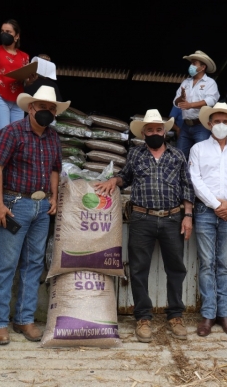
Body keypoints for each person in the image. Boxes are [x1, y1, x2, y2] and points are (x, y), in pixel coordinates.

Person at [94, 109, 194, 343]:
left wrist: (187, 215)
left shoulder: (177, 155)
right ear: (143, 133)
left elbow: (187, 186)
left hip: (172, 218)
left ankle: (176, 316)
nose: (154, 133)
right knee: (139, 270)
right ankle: (143, 318)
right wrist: (113, 180)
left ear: (164, 131)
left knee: (176, 268)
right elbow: (125, 177)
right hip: (141, 218)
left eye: (158, 129)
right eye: (150, 130)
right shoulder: (136, 155)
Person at [0, 86, 67, 345]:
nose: (47, 112)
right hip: (15, 204)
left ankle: (25, 319)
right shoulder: (11, 133)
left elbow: (55, 169)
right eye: (42, 107)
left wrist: (54, 196)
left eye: (51, 109)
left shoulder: (53, 137)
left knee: (34, 264)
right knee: (7, 264)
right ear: (30, 108)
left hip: (41, 207)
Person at [189, 103, 227, 337]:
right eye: (217, 121)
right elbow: (196, 180)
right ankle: (208, 315)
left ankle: (224, 315)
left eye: (225, 121)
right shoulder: (198, 149)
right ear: (209, 124)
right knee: (207, 263)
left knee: (223, 265)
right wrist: (217, 205)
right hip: (205, 211)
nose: (221, 125)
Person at [0, 19, 30, 133]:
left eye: (8, 32)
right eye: (2, 31)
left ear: (16, 36)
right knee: (3, 133)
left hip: (18, 100)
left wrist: (31, 79)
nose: (4, 34)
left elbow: (27, 82)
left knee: (18, 135)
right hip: (0, 97)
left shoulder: (24, 57)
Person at [173, 50, 220, 158]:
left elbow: (211, 100)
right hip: (185, 125)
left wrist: (190, 105)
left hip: (201, 126)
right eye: (191, 63)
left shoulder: (210, 83)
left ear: (203, 67)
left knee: (201, 156)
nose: (191, 66)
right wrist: (180, 98)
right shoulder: (186, 82)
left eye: (194, 63)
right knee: (180, 156)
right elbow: (176, 102)